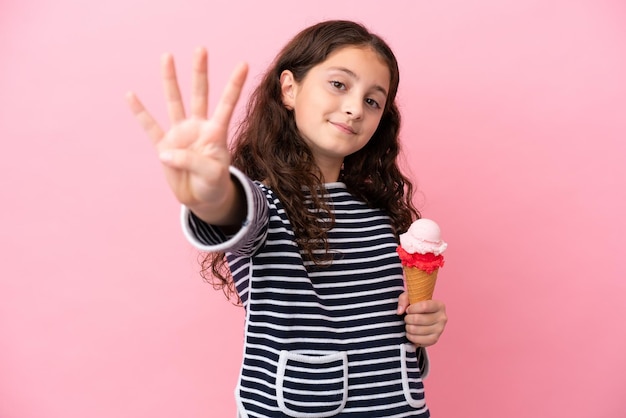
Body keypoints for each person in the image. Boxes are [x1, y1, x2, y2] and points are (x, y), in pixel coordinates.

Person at [127, 19, 447, 418]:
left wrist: (421, 325)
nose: (354, 107)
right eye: (339, 84)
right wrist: (211, 192)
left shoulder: (381, 213)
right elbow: (232, 212)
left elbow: (384, 324)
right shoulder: (264, 205)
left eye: (372, 100)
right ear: (289, 89)